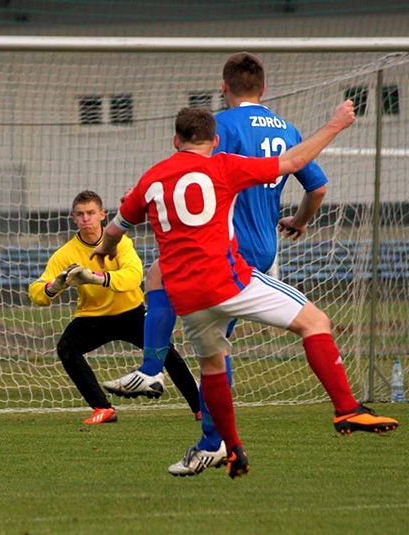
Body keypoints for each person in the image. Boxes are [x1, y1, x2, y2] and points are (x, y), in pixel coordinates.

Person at [92, 103, 398, 478]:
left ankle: (230, 447)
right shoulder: (224, 166)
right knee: (315, 322)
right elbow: (290, 162)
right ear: (216, 140)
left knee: (212, 365)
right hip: (230, 282)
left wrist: (103, 253)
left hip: (188, 300)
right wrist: (335, 124)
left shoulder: (152, 179)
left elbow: (113, 232)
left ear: (175, 140)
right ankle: (347, 409)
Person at [104, 52, 336, 476]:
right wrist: (298, 222)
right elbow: (316, 188)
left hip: (224, 247)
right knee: (208, 337)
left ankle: (168, 389)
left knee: (178, 299)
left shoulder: (221, 128)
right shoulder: (286, 128)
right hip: (265, 243)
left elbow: (197, 178)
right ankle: (201, 426)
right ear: (263, 89)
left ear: (224, 88)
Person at [28, 190, 200, 424]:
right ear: (73, 218)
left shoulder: (121, 243)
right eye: (80, 214)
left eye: (90, 213)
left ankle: (200, 408)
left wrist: (95, 277)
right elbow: (37, 293)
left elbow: (133, 276)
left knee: (165, 351)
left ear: (102, 214)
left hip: (131, 312)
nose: (86, 218)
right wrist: (54, 285)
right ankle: (103, 408)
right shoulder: (65, 253)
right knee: (67, 348)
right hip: (93, 317)